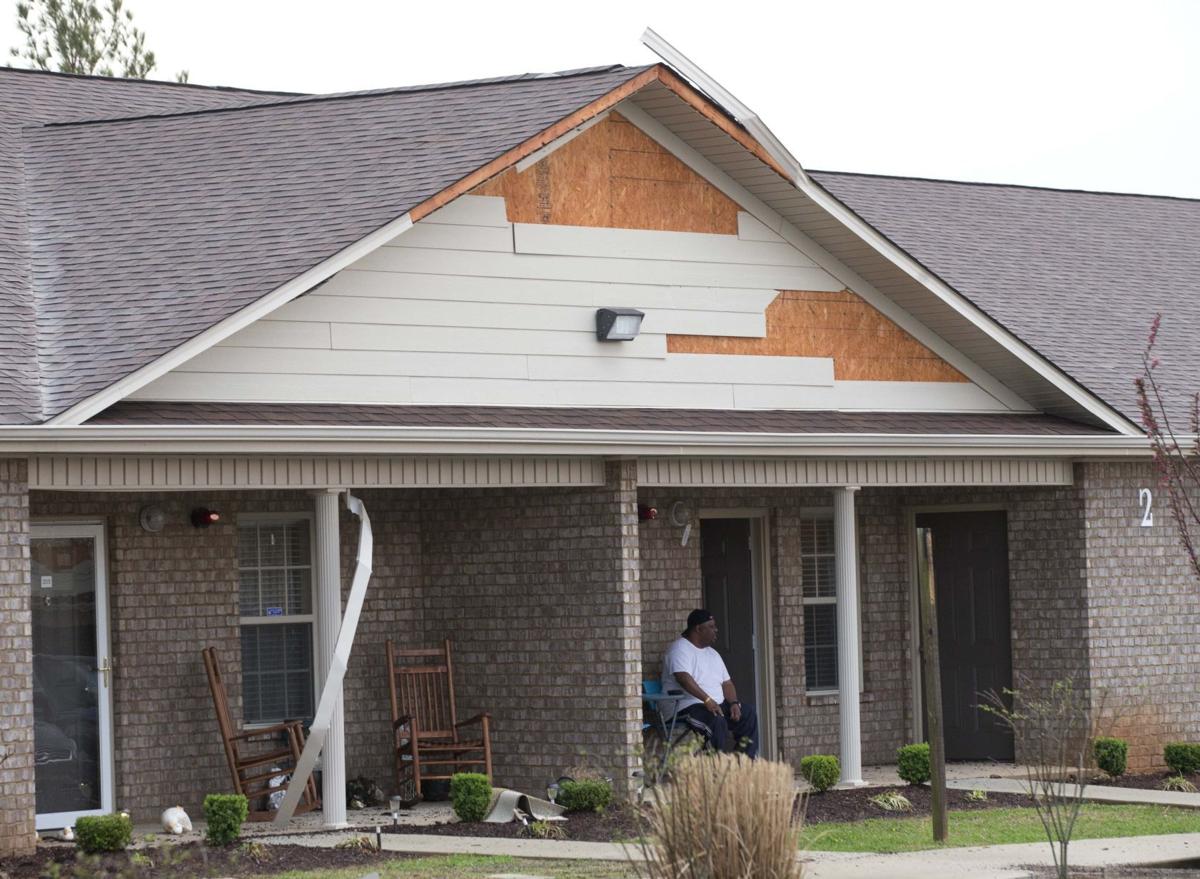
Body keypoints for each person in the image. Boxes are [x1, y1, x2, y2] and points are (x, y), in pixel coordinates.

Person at [661, 608, 758, 758]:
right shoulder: (680, 649)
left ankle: (743, 766)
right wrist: (707, 700)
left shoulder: (713, 654)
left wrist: (733, 703)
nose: (716, 630)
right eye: (711, 626)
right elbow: (683, 678)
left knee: (749, 714)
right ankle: (715, 770)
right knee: (716, 721)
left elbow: (727, 683)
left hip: (715, 706)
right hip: (686, 707)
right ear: (698, 629)